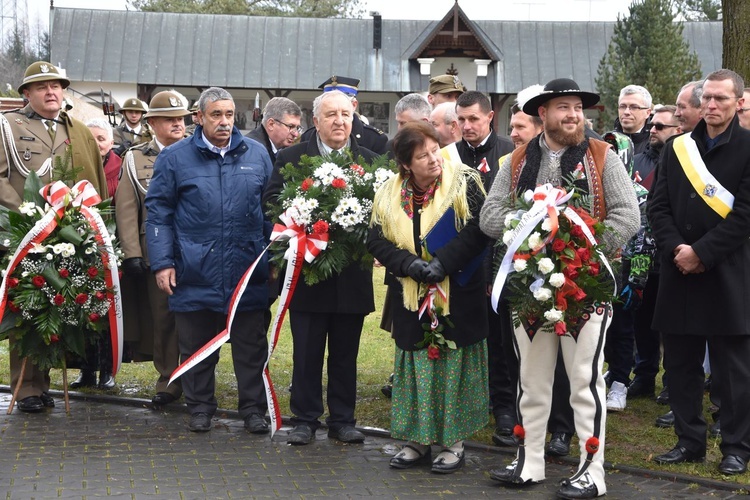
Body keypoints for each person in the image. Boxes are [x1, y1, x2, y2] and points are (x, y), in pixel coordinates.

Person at [480, 78, 639, 499]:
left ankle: (592, 469)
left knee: (585, 381)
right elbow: (489, 215)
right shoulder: (515, 162)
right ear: (543, 114)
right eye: (563, 108)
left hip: (586, 286)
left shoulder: (603, 156)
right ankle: (529, 461)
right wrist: (527, 234)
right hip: (528, 284)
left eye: (577, 108)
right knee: (530, 379)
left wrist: (579, 248)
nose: (573, 115)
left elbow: (628, 215)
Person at [145, 87, 273, 433]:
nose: (224, 122)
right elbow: (158, 213)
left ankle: (253, 410)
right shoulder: (174, 158)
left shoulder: (258, 155)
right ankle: (200, 407)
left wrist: (274, 258)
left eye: (230, 115)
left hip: (246, 271)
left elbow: (271, 212)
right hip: (194, 269)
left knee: (251, 348)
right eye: (216, 115)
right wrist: (162, 262)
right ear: (198, 118)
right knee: (197, 348)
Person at [367, 121, 489, 474]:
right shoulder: (390, 192)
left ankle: (454, 442)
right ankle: (417, 441)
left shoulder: (463, 182)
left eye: (436, 150)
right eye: (423, 155)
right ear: (406, 164)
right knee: (417, 365)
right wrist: (408, 264)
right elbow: (375, 240)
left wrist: (442, 263)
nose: (434, 159)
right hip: (411, 293)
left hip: (457, 292)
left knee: (452, 364)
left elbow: (479, 230)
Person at [649, 69, 750, 476]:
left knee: (731, 372)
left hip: (726, 273)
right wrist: (678, 250)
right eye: (707, 98)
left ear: (738, 102)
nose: (711, 106)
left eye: (721, 99)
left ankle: (736, 447)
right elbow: (657, 207)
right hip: (679, 272)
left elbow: (744, 216)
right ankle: (689, 441)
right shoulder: (677, 148)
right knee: (679, 364)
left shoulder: (748, 148)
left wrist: (701, 254)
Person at [263, 89, 376, 446]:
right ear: (316, 121)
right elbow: (270, 203)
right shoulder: (291, 157)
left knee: (346, 353)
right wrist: (304, 221)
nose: (340, 121)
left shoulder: (373, 161)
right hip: (308, 271)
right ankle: (305, 419)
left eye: (346, 114)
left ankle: (343, 419)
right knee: (307, 351)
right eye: (331, 115)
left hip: (352, 275)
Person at [0, 61, 107, 412]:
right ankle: (28, 386)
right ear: (26, 93)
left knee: (59, 304)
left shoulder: (76, 129)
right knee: (28, 308)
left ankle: (44, 381)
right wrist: (27, 214)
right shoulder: (8, 126)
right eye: (42, 87)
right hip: (26, 232)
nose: (51, 92)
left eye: (57, 86)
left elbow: (96, 181)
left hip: (70, 232)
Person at [116, 90, 192, 409]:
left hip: (195, 250)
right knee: (162, 317)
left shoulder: (198, 150)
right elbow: (126, 207)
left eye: (182, 119)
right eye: (170, 119)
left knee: (197, 317)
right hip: (155, 251)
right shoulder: (135, 158)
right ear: (152, 123)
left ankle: (197, 375)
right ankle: (168, 379)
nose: (178, 124)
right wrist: (133, 252)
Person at [455, 90, 515, 447]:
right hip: (459, 259)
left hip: (499, 260)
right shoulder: (447, 155)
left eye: (473, 119)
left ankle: (504, 406)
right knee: (461, 333)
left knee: (499, 337)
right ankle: (463, 403)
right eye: (460, 120)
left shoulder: (510, 152)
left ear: (490, 117)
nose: (466, 127)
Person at [626, 105, 682, 402]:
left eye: (661, 126)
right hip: (641, 258)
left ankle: (674, 383)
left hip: (671, 257)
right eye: (652, 125)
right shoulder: (637, 161)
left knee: (671, 325)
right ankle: (644, 375)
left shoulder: (682, 161)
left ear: (678, 130)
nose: (652, 130)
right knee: (642, 319)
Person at [66, 118, 123, 391]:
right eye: (91, 139)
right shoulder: (74, 167)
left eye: (101, 139)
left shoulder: (120, 169)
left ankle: (107, 371)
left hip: (112, 253)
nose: (96, 144)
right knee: (82, 313)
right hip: (78, 251)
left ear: (111, 142)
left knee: (109, 315)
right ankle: (85, 370)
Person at [299, 75, 388, 155]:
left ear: (353, 105)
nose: (339, 121)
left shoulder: (374, 138)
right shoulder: (309, 135)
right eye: (331, 113)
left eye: (344, 112)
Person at [245, 97, 302, 164]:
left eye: (297, 128)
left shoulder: (280, 150)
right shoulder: (251, 151)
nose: (296, 134)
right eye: (290, 126)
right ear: (271, 124)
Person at [614, 85, 653, 155]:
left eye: (634, 107)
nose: (626, 112)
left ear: (647, 113)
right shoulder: (607, 141)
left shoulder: (656, 145)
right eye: (622, 106)